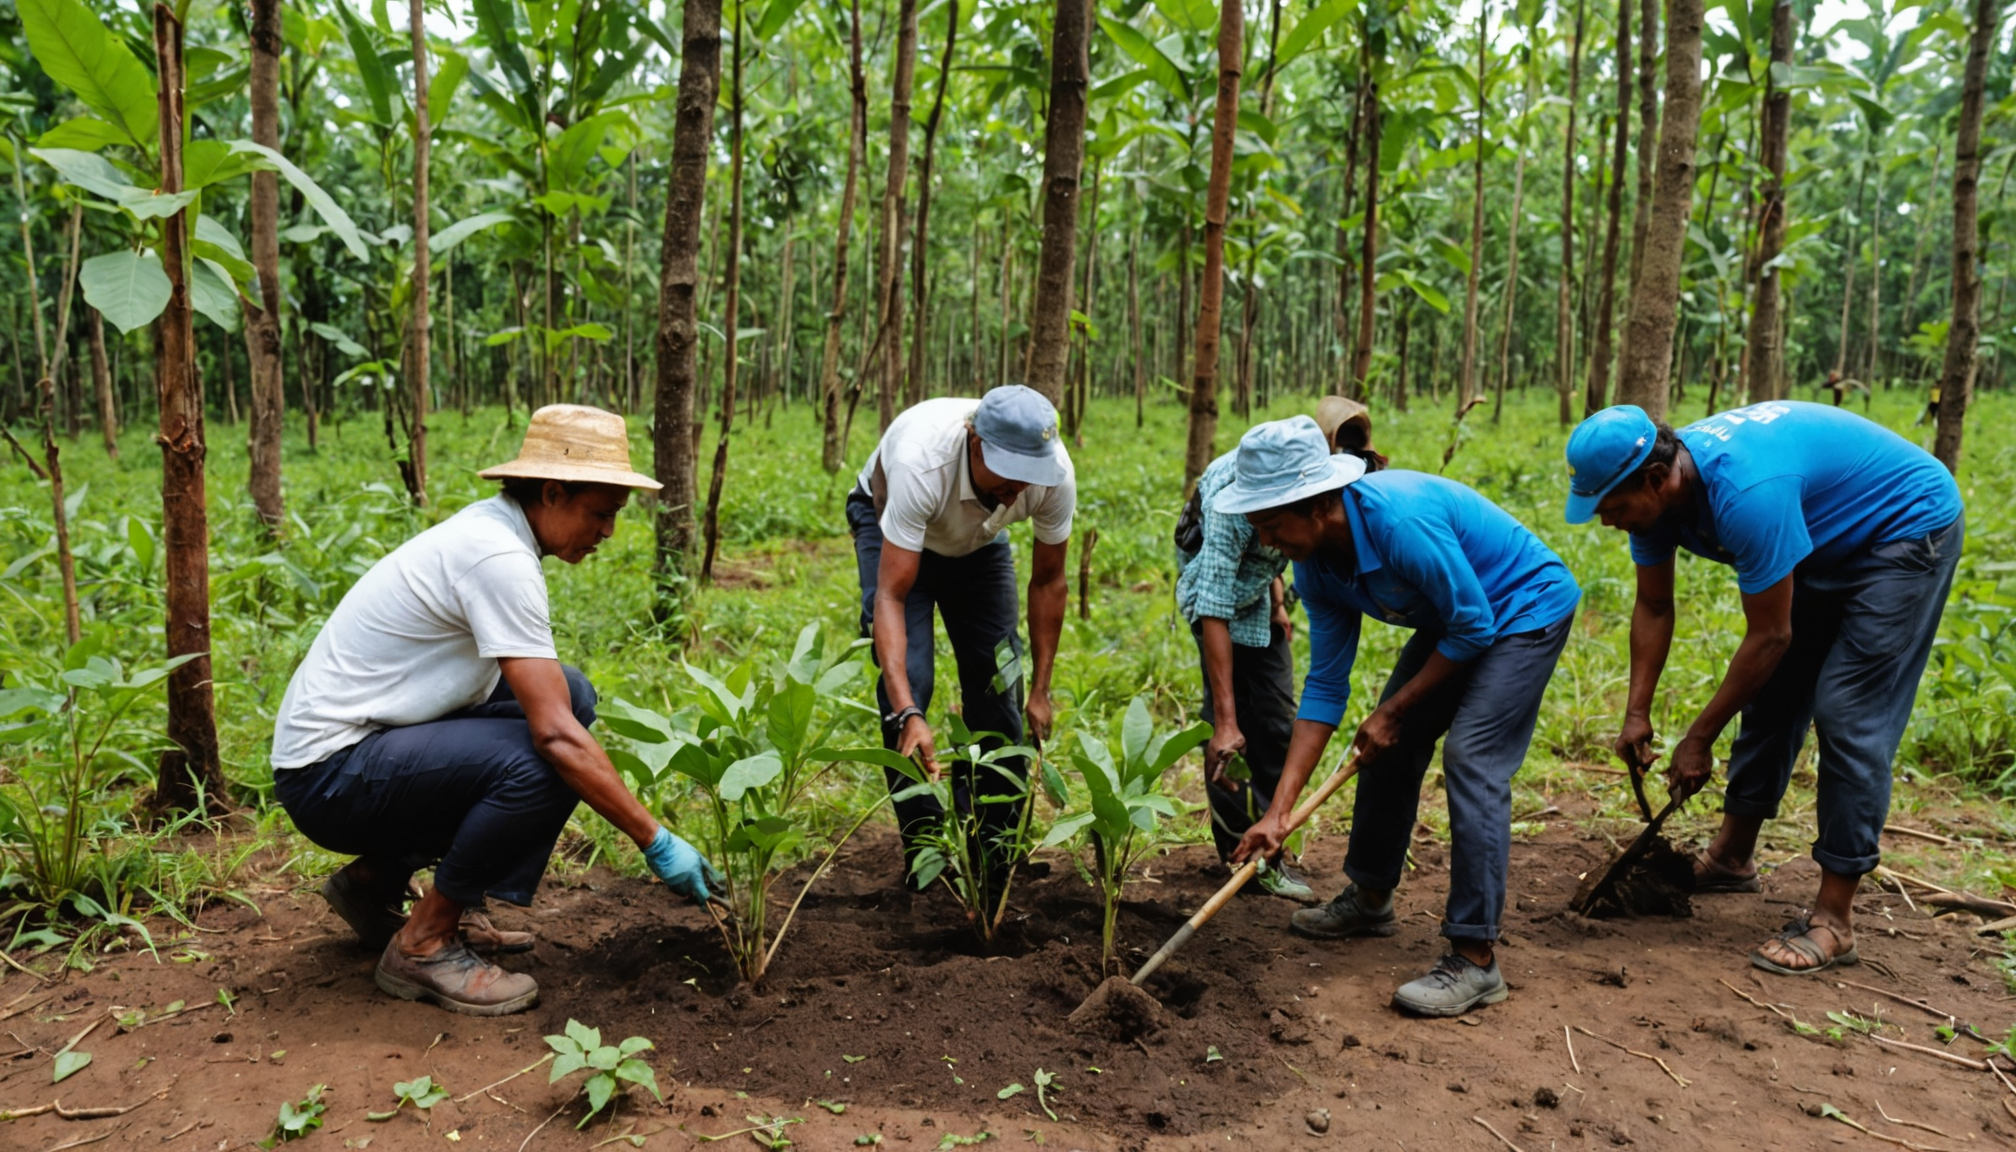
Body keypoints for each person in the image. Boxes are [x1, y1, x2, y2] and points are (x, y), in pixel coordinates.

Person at [271, 405, 722, 1017]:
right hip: (329, 777)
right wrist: (656, 839)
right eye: (602, 512)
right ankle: (425, 941)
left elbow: (559, 709)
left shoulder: (498, 532)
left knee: (573, 696)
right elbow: (557, 739)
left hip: (364, 747)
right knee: (545, 757)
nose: (610, 531)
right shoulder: (498, 558)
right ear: (554, 491)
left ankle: (373, 885)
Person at [1565, 401, 1963, 976]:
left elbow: (1770, 634)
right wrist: (1636, 713)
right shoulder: (1656, 502)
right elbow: (1654, 605)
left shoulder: (1746, 493)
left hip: (1902, 530)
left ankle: (1834, 921)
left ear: (1655, 479)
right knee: (1773, 694)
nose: (1608, 521)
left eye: (1613, 507)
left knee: (1849, 713)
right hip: (1825, 535)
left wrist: (1698, 738)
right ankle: (1731, 858)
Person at [1225, 417, 1581, 1017]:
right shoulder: (1315, 566)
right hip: (1461, 622)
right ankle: (1370, 898)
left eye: (1270, 524)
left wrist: (1394, 708)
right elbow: (1325, 689)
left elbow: (1476, 624)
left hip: (1523, 607)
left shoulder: (1399, 522)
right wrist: (1277, 813)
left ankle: (1475, 959)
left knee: (1473, 758)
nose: (1265, 542)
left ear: (1314, 505)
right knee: (1382, 746)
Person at [847, 386, 1073, 893]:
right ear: (974, 443)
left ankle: (994, 852)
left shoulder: (1046, 475)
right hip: (896, 529)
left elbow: (1049, 583)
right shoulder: (920, 465)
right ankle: (926, 854)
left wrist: (1040, 689)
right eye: (1009, 472)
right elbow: (890, 597)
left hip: (978, 542)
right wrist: (909, 712)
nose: (1019, 488)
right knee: (910, 684)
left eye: (1029, 475)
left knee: (1000, 686)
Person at [1173, 397, 1385, 903]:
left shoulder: (1311, 489)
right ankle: (1239, 857)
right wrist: (1225, 721)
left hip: (1257, 593)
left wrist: (1276, 602)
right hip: (1214, 599)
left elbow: (1282, 547)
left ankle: (1266, 842)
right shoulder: (1235, 504)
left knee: (1275, 720)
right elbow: (1214, 605)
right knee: (1233, 729)